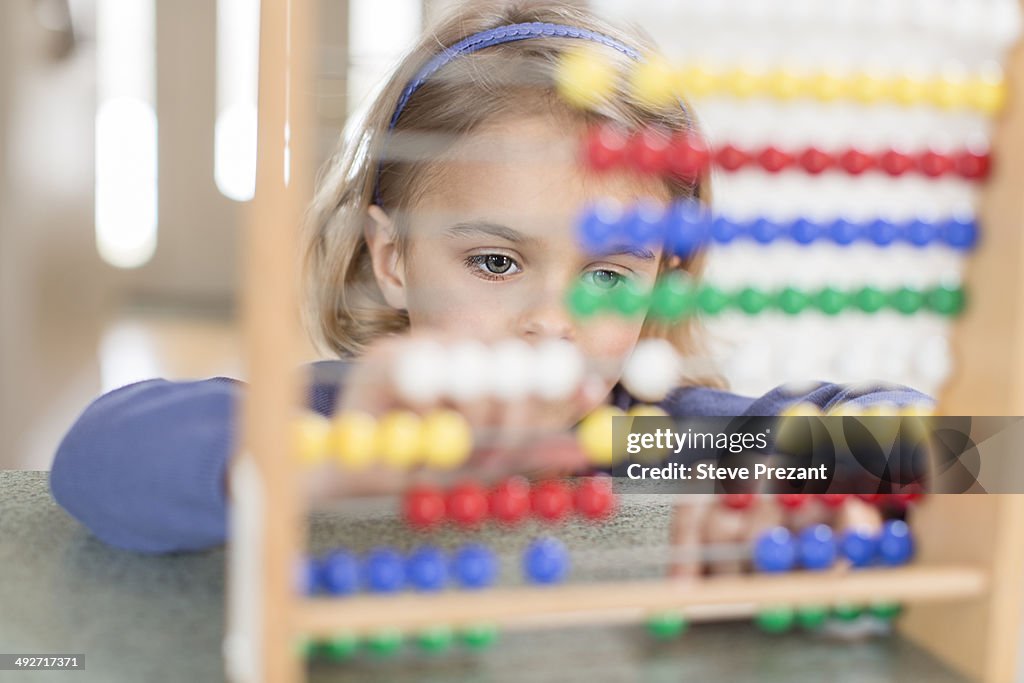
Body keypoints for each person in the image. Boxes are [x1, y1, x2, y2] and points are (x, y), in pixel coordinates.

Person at [50, 1, 928, 554]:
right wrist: (310, 466)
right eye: (497, 262)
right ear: (392, 259)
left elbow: (946, 444)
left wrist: (819, 499)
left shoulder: (662, 443)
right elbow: (95, 454)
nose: (552, 322)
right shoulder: (335, 425)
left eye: (611, 275)